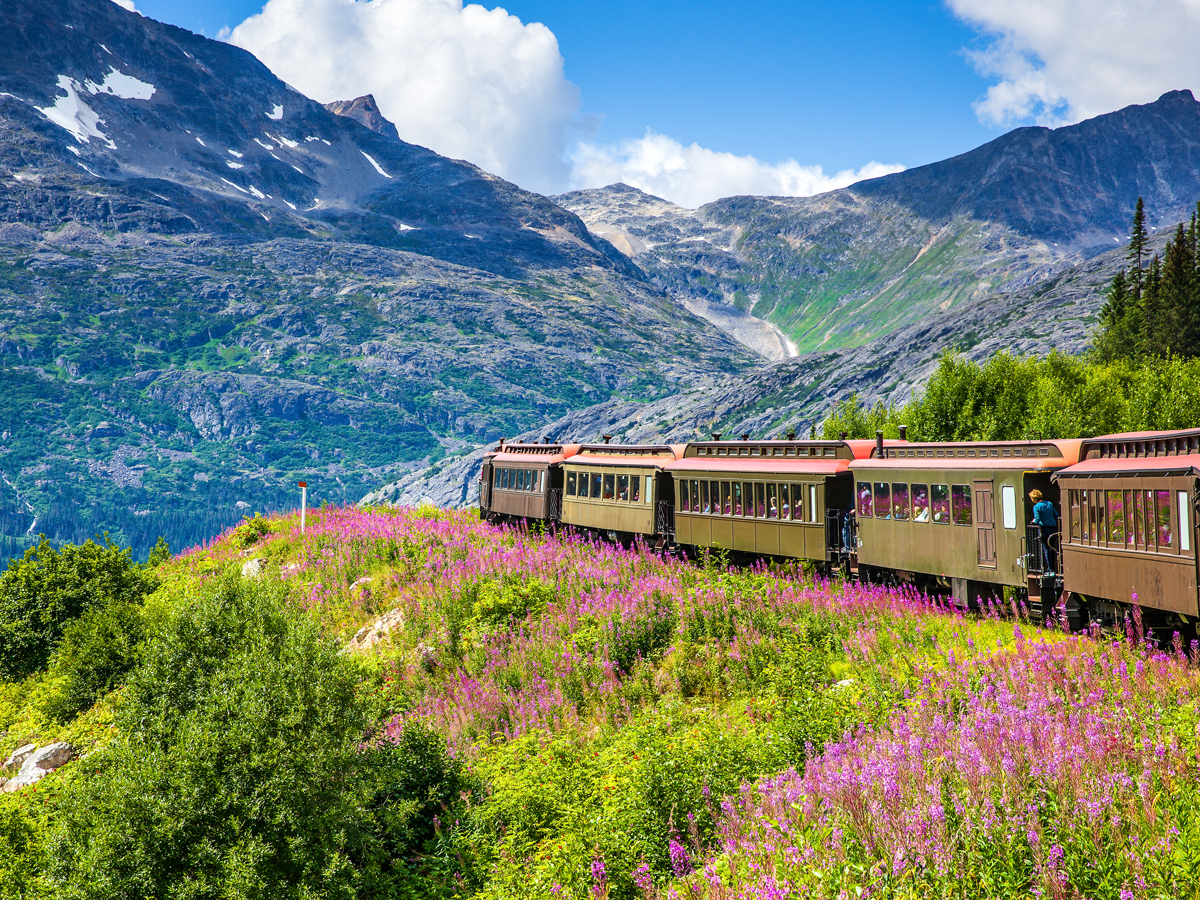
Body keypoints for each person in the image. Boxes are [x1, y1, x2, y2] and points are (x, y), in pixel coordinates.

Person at [1030, 489, 1059, 575]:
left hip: (1045, 529)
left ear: (1034, 499)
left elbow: (1037, 519)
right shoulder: (1049, 503)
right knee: (1053, 548)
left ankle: (1050, 570)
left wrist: (1034, 521)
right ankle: (1054, 568)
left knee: (1046, 549)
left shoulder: (1036, 507)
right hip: (1053, 528)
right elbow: (1056, 515)